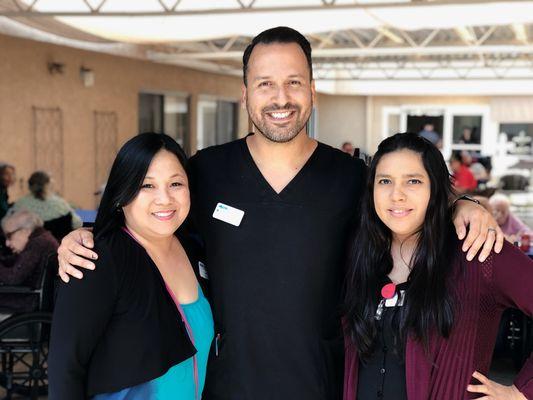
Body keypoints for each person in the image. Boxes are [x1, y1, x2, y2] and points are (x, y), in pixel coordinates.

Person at [56, 27, 503, 400]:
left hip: (322, 384)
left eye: (293, 82)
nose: (280, 97)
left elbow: (408, 211)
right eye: (265, 83)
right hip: (224, 387)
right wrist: (86, 236)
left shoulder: (352, 178)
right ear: (246, 91)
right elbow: (153, 222)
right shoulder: (206, 171)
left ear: (312, 89)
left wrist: (466, 204)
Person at [343, 133, 532, 400]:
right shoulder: (359, 253)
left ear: (435, 188)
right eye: (385, 181)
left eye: (413, 181)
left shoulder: (477, 252)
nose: (396, 195)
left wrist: (521, 391)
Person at [48, 133, 214, 399]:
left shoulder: (194, 249)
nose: (165, 199)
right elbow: (65, 367)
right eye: (147, 186)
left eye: (176, 183)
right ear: (121, 193)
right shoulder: (96, 260)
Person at [0, 209, 58, 313]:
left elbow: (13, 278)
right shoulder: (42, 239)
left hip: (28, 300)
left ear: (25, 231)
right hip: (30, 297)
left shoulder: (38, 244)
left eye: (9, 236)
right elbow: (20, 262)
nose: (7, 243)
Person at [12, 171, 82, 239]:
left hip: (29, 247)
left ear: (29, 185)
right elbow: (77, 223)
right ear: (48, 185)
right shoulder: (60, 204)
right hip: (58, 247)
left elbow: (7, 225)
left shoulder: (20, 204)